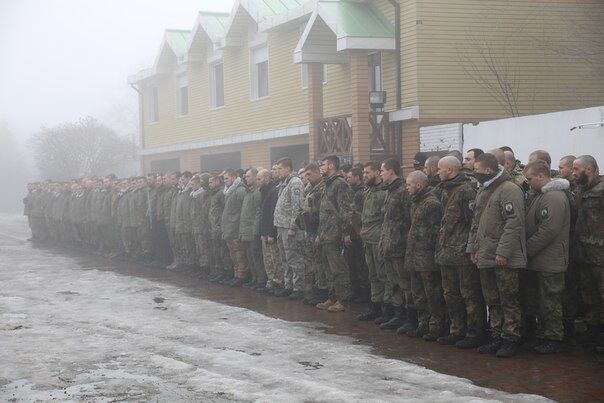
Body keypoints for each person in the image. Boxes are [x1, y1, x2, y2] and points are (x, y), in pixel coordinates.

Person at [467, 153, 526, 358]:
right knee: (491, 298)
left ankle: (511, 338)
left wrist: (503, 251)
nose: (474, 173)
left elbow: (514, 223)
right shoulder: (484, 189)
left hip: (503, 256)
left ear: (489, 170)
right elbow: (477, 223)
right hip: (485, 254)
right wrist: (472, 248)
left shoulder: (509, 189)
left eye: (476, 170)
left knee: (508, 298)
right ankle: (497, 335)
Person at [435, 156, 487, 348]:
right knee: (450, 293)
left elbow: (474, 222)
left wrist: (471, 248)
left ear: (449, 170)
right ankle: (456, 329)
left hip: (462, 253)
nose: (437, 172)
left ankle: (475, 332)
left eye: (440, 169)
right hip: (446, 252)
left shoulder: (467, 190)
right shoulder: (444, 190)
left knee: (469, 294)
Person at [522, 160, 570, 354]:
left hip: (550, 260)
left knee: (550, 301)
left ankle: (554, 337)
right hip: (539, 260)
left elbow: (548, 230)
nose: (528, 182)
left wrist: (527, 249)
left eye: (530, 178)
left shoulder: (554, 198)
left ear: (541, 176)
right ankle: (543, 335)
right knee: (539, 301)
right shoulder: (540, 195)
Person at [404, 171, 447, 340]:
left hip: (427, 258)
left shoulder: (432, 204)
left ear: (418, 185)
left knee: (432, 294)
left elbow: (436, 233)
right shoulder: (416, 202)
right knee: (418, 294)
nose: (407, 188)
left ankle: (436, 326)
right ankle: (423, 324)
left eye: (409, 185)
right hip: (414, 256)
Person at [572, 155, 604, 353]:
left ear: (589, 170)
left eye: (576, 170)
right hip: (584, 255)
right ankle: (594, 331)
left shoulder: (601, 191)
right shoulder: (581, 190)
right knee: (589, 296)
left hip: (600, 255)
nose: (573, 174)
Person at [378, 158, 413, 331]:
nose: (381, 173)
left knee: (404, 282)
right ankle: (397, 314)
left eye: (382, 170)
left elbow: (409, 218)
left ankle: (409, 317)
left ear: (391, 171)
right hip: (389, 244)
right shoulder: (389, 191)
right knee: (393, 282)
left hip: (399, 245)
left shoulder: (402, 191)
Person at [316, 155, 354, 312]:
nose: (322, 167)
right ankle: (332, 297)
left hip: (335, 233)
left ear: (331, 166)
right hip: (326, 232)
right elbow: (323, 212)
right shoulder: (327, 184)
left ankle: (342, 299)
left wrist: (345, 232)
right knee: (328, 269)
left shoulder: (340, 184)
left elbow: (346, 210)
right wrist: (319, 233)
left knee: (338, 269)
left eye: (323, 164)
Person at [357, 161, 388, 321]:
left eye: (368, 172)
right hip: (367, 238)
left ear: (377, 173)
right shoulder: (368, 191)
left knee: (383, 275)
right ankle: (375, 306)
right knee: (373, 275)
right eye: (363, 173)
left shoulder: (384, 192)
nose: (364, 175)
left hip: (378, 239)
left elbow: (385, 218)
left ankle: (386, 309)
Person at [273, 157, 306, 299]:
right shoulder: (284, 183)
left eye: (280, 168)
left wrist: (293, 226)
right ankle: (288, 285)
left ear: (287, 168)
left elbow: (297, 206)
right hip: (281, 226)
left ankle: (298, 288)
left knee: (294, 257)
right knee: (284, 258)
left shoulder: (295, 182)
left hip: (289, 227)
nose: (278, 171)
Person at [298, 163, 329, 306]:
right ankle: (314, 291)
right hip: (308, 230)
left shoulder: (323, 187)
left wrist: (320, 233)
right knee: (311, 263)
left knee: (320, 264)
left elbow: (322, 213)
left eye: (309, 174)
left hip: (318, 230)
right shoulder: (310, 187)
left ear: (317, 172)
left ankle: (322, 292)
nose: (306, 177)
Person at [221, 168, 248, 286]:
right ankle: (237, 274)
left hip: (236, 227)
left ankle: (241, 276)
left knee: (239, 254)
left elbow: (244, 210)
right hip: (229, 228)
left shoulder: (240, 190)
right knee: (233, 254)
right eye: (224, 179)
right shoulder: (229, 191)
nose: (225, 181)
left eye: (226, 178)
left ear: (233, 177)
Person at [346, 166, 370, 301]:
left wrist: (354, 232)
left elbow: (356, 215)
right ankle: (356, 291)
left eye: (350, 177)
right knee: (352, 264)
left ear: (357, 177)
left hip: (358, 233)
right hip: (352, 233)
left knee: (361, 265)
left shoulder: (361, 192)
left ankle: (363, 293)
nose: (348, 179)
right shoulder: (352, 191)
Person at [258, 168, 282, 294]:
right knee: (267, 259)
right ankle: (270, 281)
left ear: (266, 179)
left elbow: (273, 213)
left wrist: (271, 233)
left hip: (270, 230)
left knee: (274, 259)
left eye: (259, 179)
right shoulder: (263, 191)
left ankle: (278, 282)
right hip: (264, 230)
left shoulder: (273, 191)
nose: (258, 181)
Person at [240, 168, 265, 288]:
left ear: (255, 177)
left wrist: (255, 231)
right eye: (245, 176)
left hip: (252, 230)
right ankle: (254, 278)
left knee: (256, 257)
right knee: (250, 256)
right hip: (246, 230)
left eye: (249, 176)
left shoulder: (257, 192)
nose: (246, 178)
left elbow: (258, 213)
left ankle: (260, 280)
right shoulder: (248, 191)